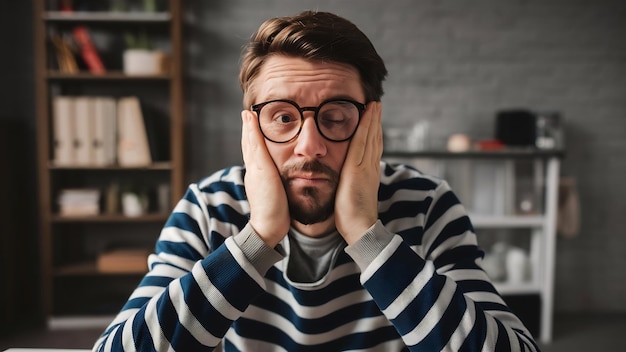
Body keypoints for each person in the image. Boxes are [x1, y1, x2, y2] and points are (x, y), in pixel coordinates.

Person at [93, 10, 539, 352]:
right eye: (282, 117)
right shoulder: (209, 208)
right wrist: (258, 237)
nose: (309, 146)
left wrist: (369, 237)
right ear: (251, 128)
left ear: (371, 123)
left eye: (337, 117)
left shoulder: (426, 205)